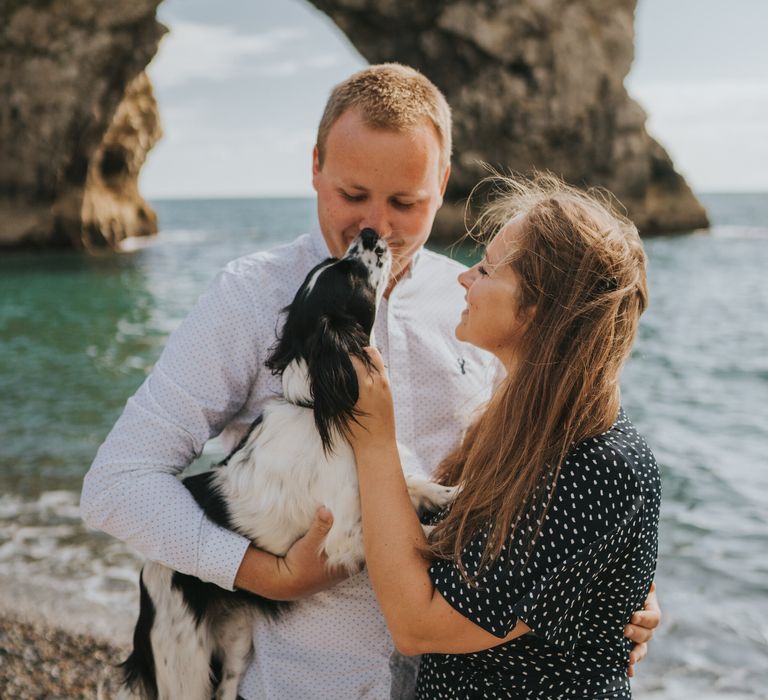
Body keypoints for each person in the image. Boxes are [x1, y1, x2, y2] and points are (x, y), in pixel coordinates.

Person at [80, 65, 659, 699]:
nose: (375, 227)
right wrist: (263, 574)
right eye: (353, 195)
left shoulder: (481, 308)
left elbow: (559, 469)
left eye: (405, 203)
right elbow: (117, 485)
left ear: (442, 183)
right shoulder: (249, 297)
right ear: (315, 167)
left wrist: (617, 592)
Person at [347, 175, 661, 698]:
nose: (465, 278)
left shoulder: (598, 464)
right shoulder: (519, 423)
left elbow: (417, 624)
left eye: (488, 268)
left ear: (540, 308)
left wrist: (374, 439)